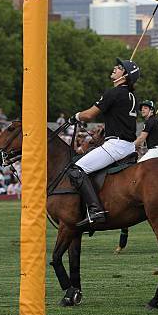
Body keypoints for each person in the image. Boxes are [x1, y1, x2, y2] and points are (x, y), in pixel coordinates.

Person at [67, 58, 140, 226]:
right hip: (128, 146)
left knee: (77, 170)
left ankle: (95, 210)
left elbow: (88, 115)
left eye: (120, 67)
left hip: (116, 146)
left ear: (125, 76)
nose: (115, 68)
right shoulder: (132, 96)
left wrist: (75, 116)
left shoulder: (113, 93)